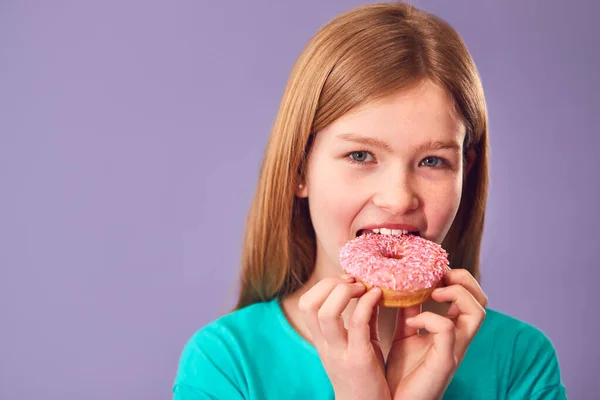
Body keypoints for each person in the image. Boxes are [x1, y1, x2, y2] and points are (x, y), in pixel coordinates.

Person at [172, 2, 567, 399]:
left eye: (433, 161)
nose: (398, 199)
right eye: (360, 156)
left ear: (465, 172)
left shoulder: (520, 362)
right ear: (298, 170)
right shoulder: (225, 364)